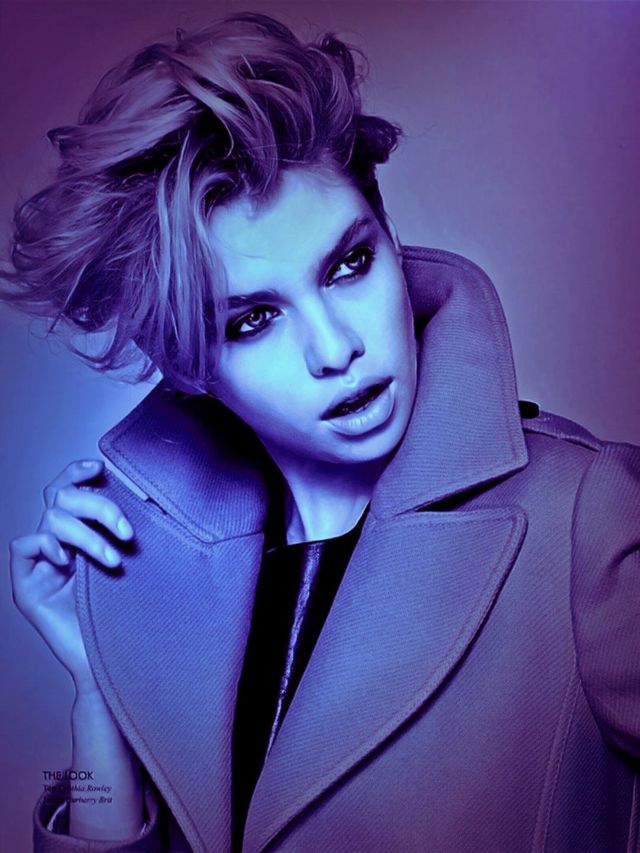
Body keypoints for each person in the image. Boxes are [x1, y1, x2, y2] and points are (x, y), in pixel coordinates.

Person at [2, 11, 639, 853]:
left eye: (348, 265)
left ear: (390, 236)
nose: (335, 349)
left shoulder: (581, 517)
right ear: (188, 364)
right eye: (254, 319)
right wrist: (97, 683)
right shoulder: (165, 575)